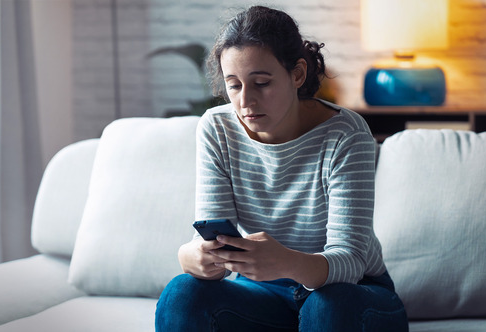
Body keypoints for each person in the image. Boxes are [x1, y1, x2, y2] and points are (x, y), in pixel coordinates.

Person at [155, 5, 408, 331]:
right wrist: (192, 256)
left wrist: (288, 261)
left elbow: (351, 261)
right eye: (234, 85)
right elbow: (212, 240)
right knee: (183, 293)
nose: (245, 101)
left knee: (327, 306)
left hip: (353, 292)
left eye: (261, 82)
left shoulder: (345, 134)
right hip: (265, 294)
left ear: (298, 74)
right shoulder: (217, 129)